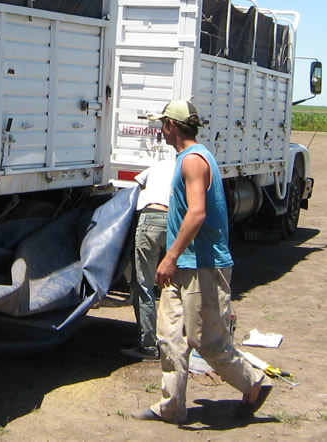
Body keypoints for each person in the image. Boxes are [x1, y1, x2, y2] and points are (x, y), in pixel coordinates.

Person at [132, 99, 271, 424]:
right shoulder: (188, 158)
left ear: (172, 126)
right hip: (185, 266)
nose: (160, 130)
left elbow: (197, 212)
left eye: (162, 124)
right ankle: (171, 407)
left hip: (203, 265)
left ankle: (253, 383)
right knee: (170, 337)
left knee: (206, 341)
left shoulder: (193, 161)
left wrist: (170, 256)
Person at [119, 155, 175, 361]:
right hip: (175, 222)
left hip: (151, 218)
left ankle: (148, 345)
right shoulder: (187, 167)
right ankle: (176, 342)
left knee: (144, 284)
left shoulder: (158, 165)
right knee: (176, 286)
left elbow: (136, 187)